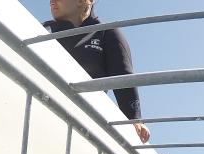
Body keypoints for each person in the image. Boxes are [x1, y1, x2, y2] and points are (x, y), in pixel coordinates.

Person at [45, 0, 151, 144]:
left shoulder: (106, 32)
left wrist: (134, 119)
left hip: (85, 119)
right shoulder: (43, 30)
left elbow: (123, 77)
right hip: (45, 105)